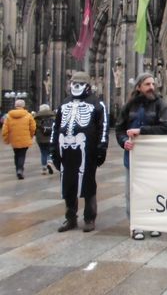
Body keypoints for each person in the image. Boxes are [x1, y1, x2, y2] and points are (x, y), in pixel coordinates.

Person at [115, 72, 167, 240]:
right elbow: (119, 129)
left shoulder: (160, 104)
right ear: (139, 87)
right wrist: (124, 141)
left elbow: (166, 128)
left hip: (153, 156)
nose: (151, 87)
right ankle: (136, 225)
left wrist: (141, 131)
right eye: (147, 84)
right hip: (132, 156)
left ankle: (154, 223)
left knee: (153, 190)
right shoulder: (129, 106)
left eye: (153, 84)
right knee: (131, 192)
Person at [51, 71, 108, 233]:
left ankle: (89, 218)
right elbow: (56, 128)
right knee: (68, 185)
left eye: (80, 83)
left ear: (88, 86)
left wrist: (101, 148)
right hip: (65, 151)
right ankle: (70, 218)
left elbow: (103, 128)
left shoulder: (97, 104)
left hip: (87, 151)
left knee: (88, 185)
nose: (76, 86)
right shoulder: (64, 104)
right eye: (73, 83)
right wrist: (53, 150)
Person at [2, 99, 36, 179]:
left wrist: (6, 139)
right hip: (25, 139)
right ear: (23, 106)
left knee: (16, 154)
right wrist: (30, 135)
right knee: (22, 155)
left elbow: (4, 130)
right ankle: (20, 170)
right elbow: (33, 127)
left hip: (14, 139)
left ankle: (17, 168)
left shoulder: (9, 116)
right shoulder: (28, 115)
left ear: (15, 105)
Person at [34, 104, 55, 175]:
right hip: (50, 137)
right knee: (50, 152)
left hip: (40, 138)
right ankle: (49, 162)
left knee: (43, 152)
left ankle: (44, 168)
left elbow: (34, 128)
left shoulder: (36, 117)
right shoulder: (53, 116)